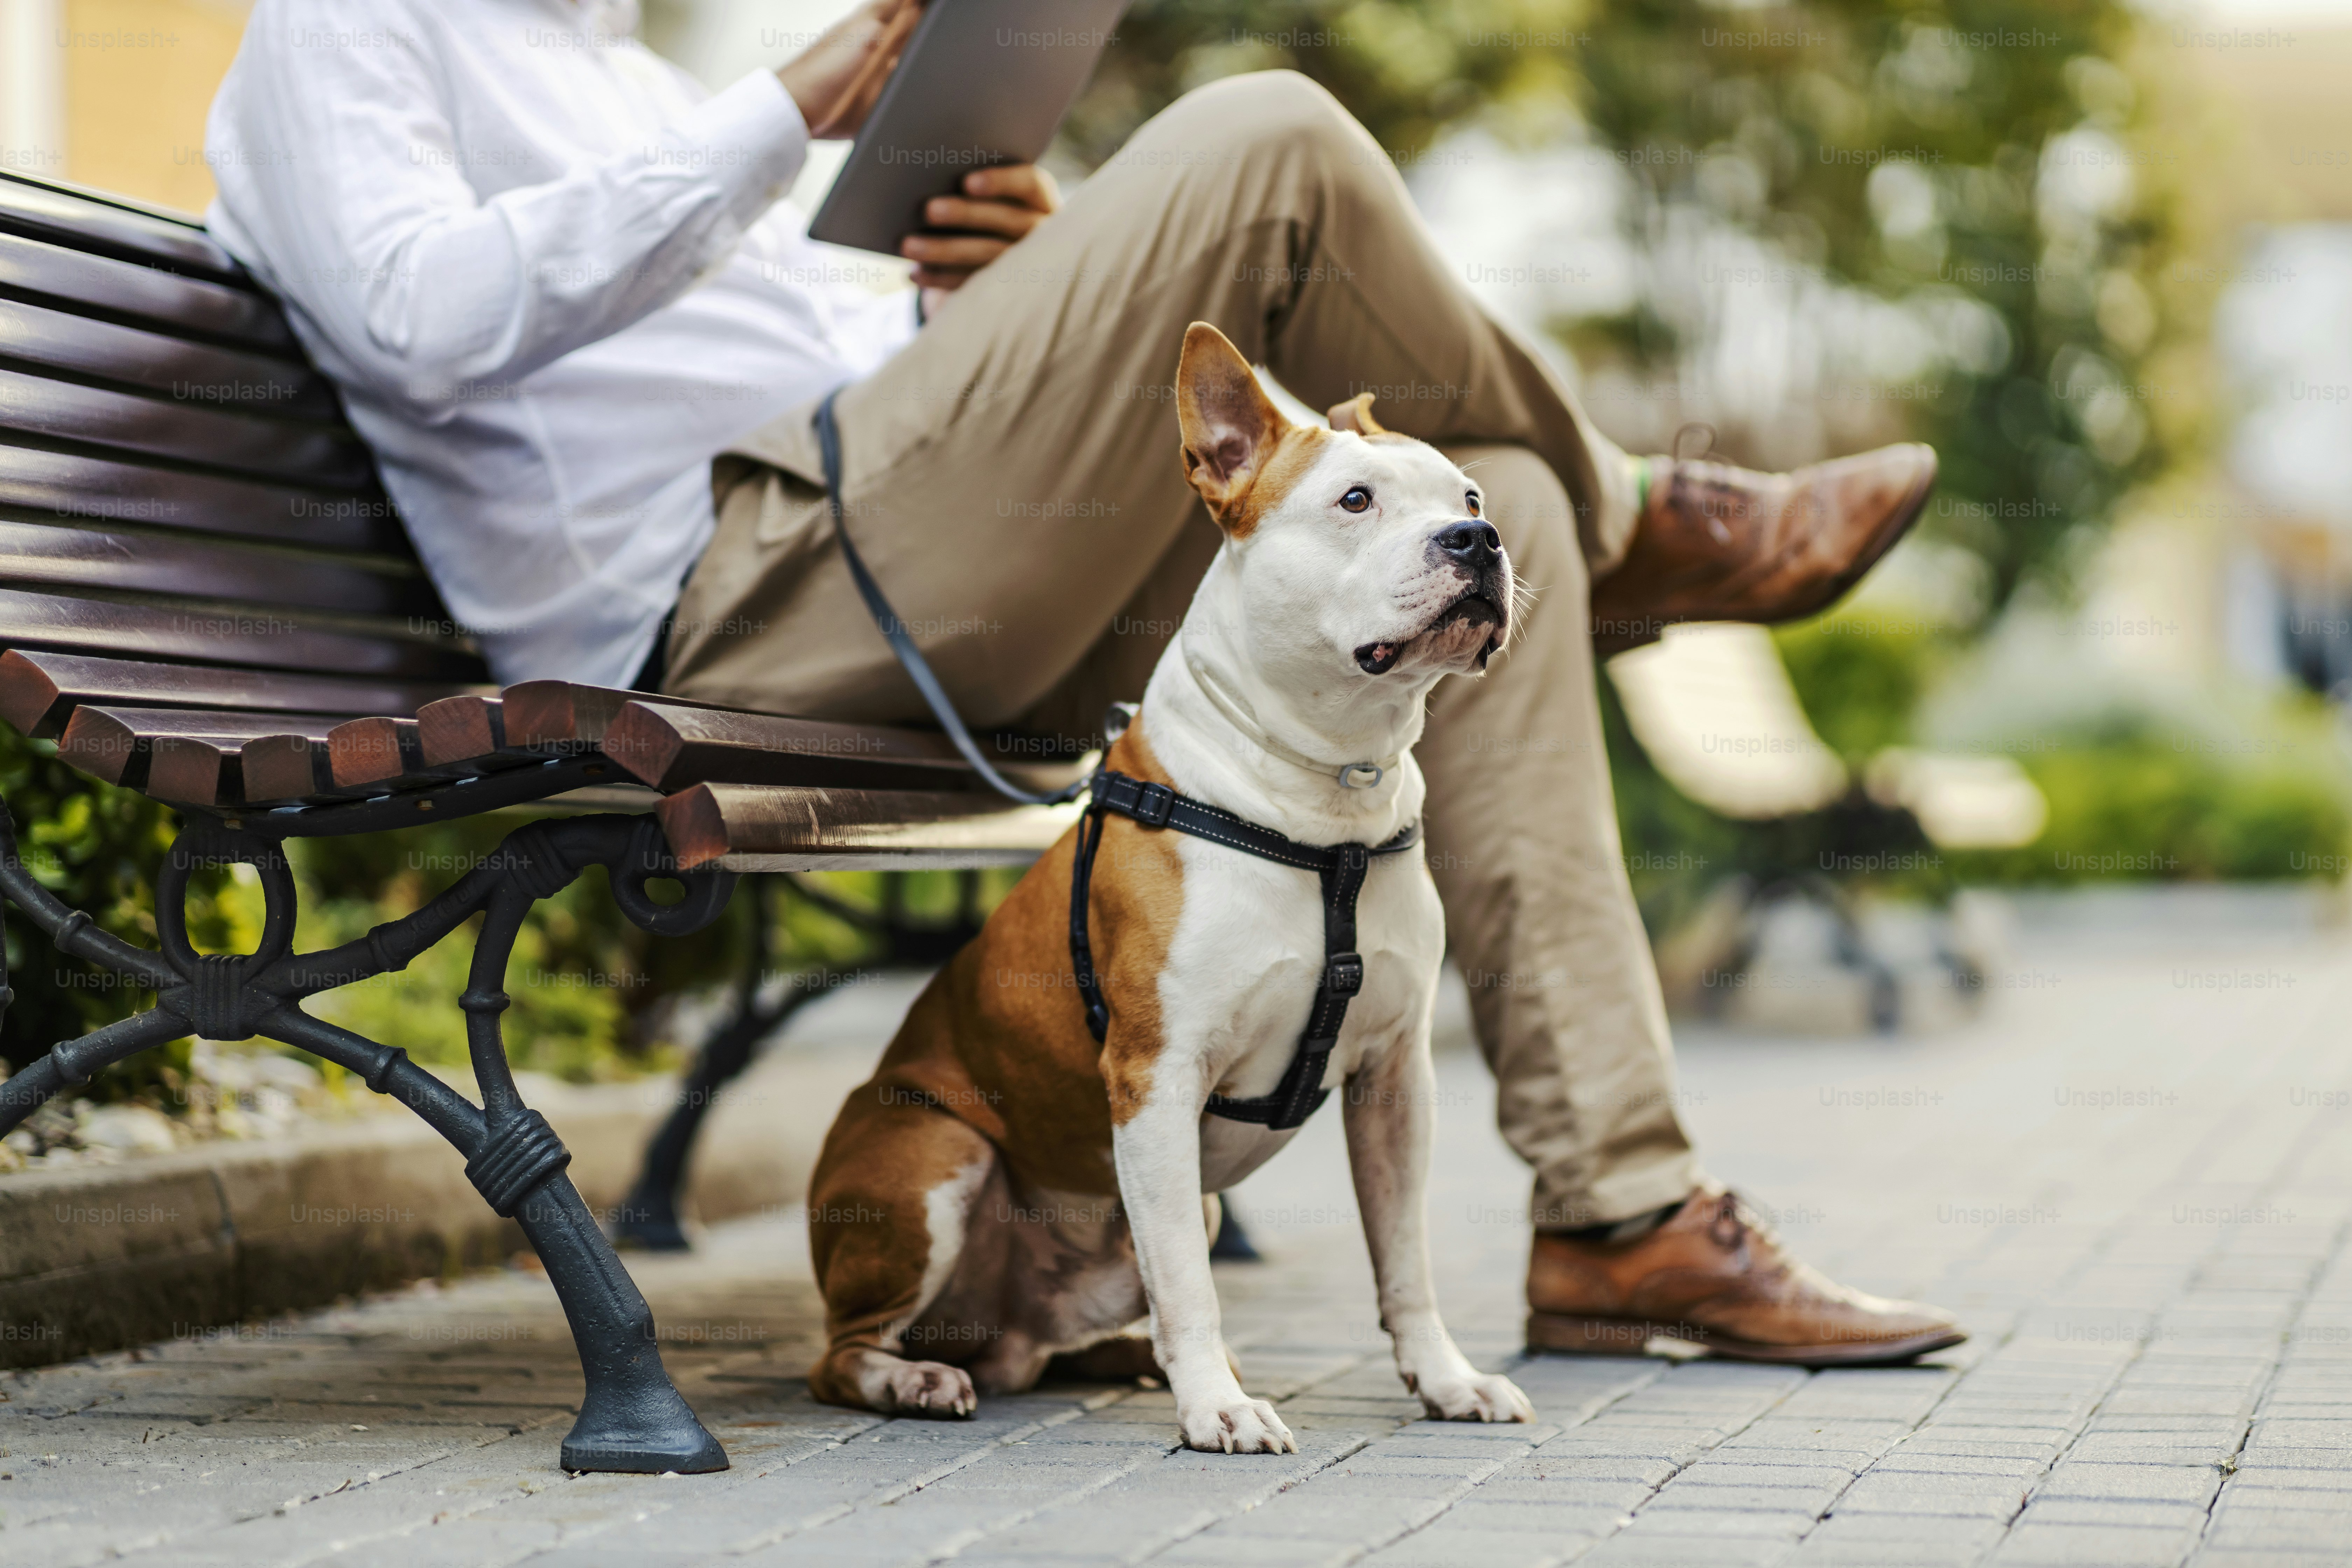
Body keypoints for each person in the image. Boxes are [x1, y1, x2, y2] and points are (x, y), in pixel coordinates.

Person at [205, 0, 1960, 1364]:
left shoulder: (612, 68)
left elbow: (795, 363)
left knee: (1508, 500)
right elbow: (419, 316)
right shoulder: (349, 27)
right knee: (1272, 138)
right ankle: (1658, 514)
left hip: (881, 554)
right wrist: (780, 114)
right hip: (725, 612)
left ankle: (1621, 1216)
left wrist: (996, 294)